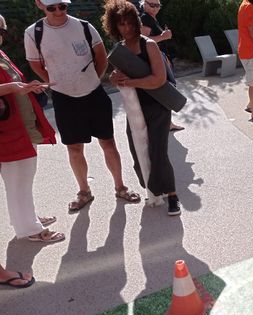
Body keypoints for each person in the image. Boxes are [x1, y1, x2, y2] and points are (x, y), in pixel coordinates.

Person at [25, 0, 141, 212]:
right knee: (74, 148)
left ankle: (120, 186)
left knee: (108, 143)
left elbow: (100, 57)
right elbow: (35, 64)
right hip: (64, 98)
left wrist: (93, 80)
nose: (59, 11)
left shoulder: (84, 26)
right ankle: (84, 191)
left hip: (94, 95)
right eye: (52, 8)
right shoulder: (34, 32)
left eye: (63, 6)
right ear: (40, 5)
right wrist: (55, 81)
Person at [103, 0, 181, 216]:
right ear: (114, 26)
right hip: (135, 109)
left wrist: (130, 82)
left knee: (158, 152)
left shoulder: (149, 44)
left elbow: (158, 80)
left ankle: (172, 195)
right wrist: (115, 78)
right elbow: (121, 79)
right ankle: (154, 190)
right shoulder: (120, 50)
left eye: (129, 23)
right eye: (121, 25)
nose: (126, 28)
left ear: (136, 22)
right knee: (138, 153)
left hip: (157, 106)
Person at [0, 13, 65, 245]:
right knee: (17, 177)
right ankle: (29, 228)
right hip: (6, 129)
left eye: (0, 31)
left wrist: (28, 87)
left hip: (19, 124)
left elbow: (12, 85)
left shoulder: (1, 54)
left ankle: (25, 218)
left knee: (24, 175)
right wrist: (13, 87)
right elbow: (7, 87)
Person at [138, 0, 184, 132]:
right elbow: (143, 40)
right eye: (151, 5)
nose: (154, 8)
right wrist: (163, 37)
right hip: (156, 61)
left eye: (157, 5)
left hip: (159, 59)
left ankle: (166, 123)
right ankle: (166, 124)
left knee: (163, 91)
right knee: (165, 91)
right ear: (144, 4)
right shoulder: (146, 18)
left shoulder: (150, 18)